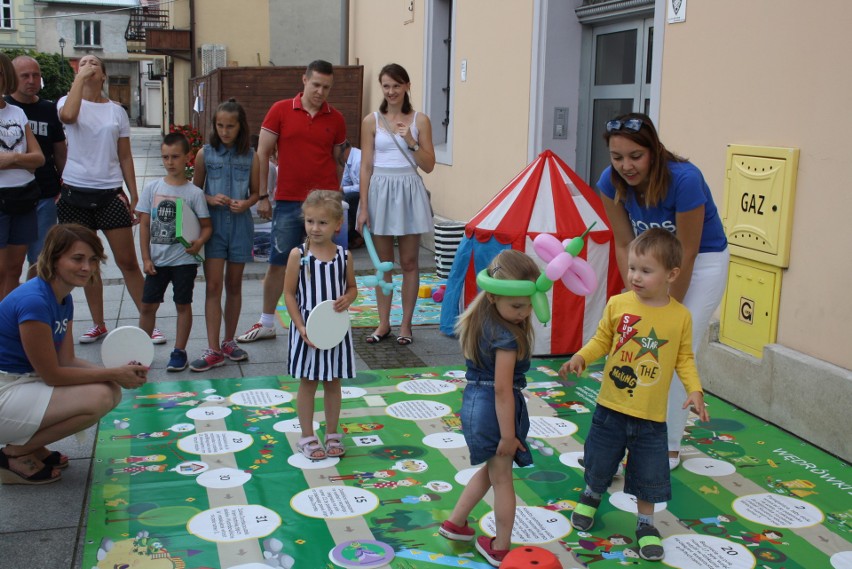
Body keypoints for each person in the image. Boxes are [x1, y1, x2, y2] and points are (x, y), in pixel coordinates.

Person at [558, 229, 710, 562]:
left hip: (652, 417)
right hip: (611, 406)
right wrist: (582, 356)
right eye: (632, 268)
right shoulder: (618, 304)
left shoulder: (680, 316)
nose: (635, 277)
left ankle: (646, 524)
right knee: (599, 459)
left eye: (645, 270)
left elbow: (684, 358)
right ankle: (590, 495)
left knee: (649, 473)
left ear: (671, 274)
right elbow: (602, 340)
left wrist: (695, 389)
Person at [598, 112, 728, 469]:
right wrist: (636, 298)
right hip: (647, 265)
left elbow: (685, 254)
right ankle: (631, 436)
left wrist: (662, 311)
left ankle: (665, 445)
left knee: (669, 350)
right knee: (638, 352)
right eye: (617, 156)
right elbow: (625, 244)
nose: (626, 165)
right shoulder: (609, 182)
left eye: (635, 156)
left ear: (653, 150)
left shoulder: (685, 180)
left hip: (699, 263)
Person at [0, 224, 148, 485]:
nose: (87, 268)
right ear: (54, 259)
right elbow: (53, 374)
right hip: (7, 389)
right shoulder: (34, 300)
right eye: (77, 259)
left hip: (21, 383)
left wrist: (119, 371)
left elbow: (67, 360)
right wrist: (113, 374)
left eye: (92, 260)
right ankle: (14, 454)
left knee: (109, 389)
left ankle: (30, 445)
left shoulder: (61, 297)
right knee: (101, 395)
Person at [438, 249, 538, 567]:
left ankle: (456, 522)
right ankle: (501, 546)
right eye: (517, 305)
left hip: (474, 403)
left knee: (492, 469)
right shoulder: (506, 336)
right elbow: (502, 390)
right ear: (494, 296)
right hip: (493, 410)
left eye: (528, 304)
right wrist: (508, 436)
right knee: (504, 478)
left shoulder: (484, 318)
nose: (524, 312)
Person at [237, 60, 346, 344]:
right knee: (278, 262)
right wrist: (262, 195)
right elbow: (262, 153)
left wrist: (338, 199)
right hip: (288, 200)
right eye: (316, 85)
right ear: (304, 80)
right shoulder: (280, 110)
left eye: (326, 87)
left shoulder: (336, 119)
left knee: (325, 262)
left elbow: (337, 161)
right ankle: (267, 321)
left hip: (325, 203)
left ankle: (324, 318)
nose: (321, 92)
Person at [57, 55, 154, 344]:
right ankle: (98, 323)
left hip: (110, 192)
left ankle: (148, 321)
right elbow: (68, 117)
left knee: (127, 261)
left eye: (94, 63)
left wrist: (135, 194)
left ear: (103, 75)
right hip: (75, 191)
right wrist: (78, 80)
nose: (88, 65)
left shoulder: (116, 111)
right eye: (83, 62)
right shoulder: (67, 101)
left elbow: (124, 155)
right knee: (86, 262)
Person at [357, 63, 435, 346]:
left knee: (410, 262)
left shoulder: (420, 120)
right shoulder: (371, 121)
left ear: (407, 87)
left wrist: (412, 141)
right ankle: (383, 323)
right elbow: (365, 166)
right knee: (383, 264)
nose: (391, 91)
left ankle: (405, 324)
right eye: (386, 86)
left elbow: (429, 166)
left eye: (396, 86)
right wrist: (363, 206)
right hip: (380, 189)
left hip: (408, 189)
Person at [283, 190, 356, 461]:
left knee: (333, 380)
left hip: (334, 330)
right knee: (309, 380)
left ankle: (333, 432)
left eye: (323, 222)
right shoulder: (298, 255)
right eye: (310, 221)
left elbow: (351, 287)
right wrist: (300, 327)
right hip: (307, 331)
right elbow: (289, 293)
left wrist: (348, 298)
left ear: (337, 225)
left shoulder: (343, 256)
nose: (315, 228)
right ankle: (307, 435)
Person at [190, 99, 259, 371]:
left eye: (230, 126)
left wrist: (247, 203)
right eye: (220, 126)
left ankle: (229, 341)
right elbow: (194, 192)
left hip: (241, 226)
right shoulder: (204, 154)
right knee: (213, 285)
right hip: (214, 227)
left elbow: (256, 192)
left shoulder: (251, 156)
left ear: (240, 127)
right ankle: (213, 347)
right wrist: (209, 198)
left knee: (234, 285)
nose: (225, 131)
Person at [136, 132, 212, 372]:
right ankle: (141, 352)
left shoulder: (194, 194)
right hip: (157, 262)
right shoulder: (152, 188)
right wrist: (146, 258)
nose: (170, 162)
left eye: (175, 157)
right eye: (165, 157)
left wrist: (199, 242)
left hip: (183, 262)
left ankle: (179, 351)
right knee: (148, 305)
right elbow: (145, 225)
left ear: (188, 157)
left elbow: (207, 226)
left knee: (182, 304)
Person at [5, 56, 67, 282]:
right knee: (9, 267)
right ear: (13, 78)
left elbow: (58, 152)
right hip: (11, 196)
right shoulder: (7, 109)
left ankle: (35, 310)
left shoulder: (49, 109)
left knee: (41, 261)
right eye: (25, 76)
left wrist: (65, 183)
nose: (31, 80)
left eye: (36, 75)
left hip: (45, 194)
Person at [0, 52, 45, 300]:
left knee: (14, 268)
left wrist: (12, 159)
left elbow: (38, 159)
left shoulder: (16, 113)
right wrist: (22, 160)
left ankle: (6, 322)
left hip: (24, 196)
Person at [339, 140, 363, 248]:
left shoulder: (358, 159)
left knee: (349, 199)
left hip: (368, 192)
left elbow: (363, 185)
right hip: (359, 191)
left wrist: (343, 189)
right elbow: (345, 180)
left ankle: (356, 236)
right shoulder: (348, 160)